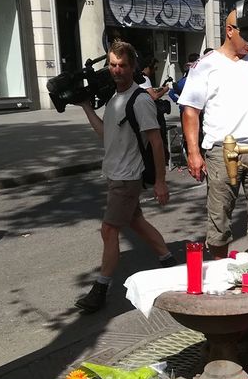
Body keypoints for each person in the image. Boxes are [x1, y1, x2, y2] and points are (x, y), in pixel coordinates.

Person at [75, 41, 175, 313]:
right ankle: (168, 261)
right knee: (136, 221)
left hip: (127, 177)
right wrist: (86, 108)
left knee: (109, 230)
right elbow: (105, 134)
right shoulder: (114, 99)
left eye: (122, 65)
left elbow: (156, 142)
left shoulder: (139, 100)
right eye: (113, 65)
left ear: (133, 68)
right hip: (115, 173)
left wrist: (160, 181)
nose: (117, 70)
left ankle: (100, 289)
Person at [178, 10, 248, 257]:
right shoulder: (206, 65)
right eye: (245, 33)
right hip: (222, 150)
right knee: (219, 218)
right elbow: (190, 111)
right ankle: (220, 271)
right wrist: (193, 153)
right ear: (229, 30)